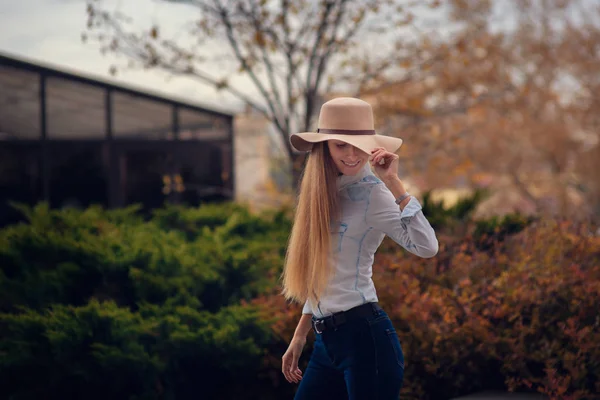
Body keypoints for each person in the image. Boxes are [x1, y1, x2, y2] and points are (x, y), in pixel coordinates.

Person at [280, 97, 439, 400]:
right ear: (324, 146)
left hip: (366, 340)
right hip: (325, 343)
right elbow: (323, 273)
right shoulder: (321, 194)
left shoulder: (373, 195)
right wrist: (300, 335)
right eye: (341, 145)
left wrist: (394, 183)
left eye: (359, 145)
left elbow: (427, 246)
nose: (352, 155)